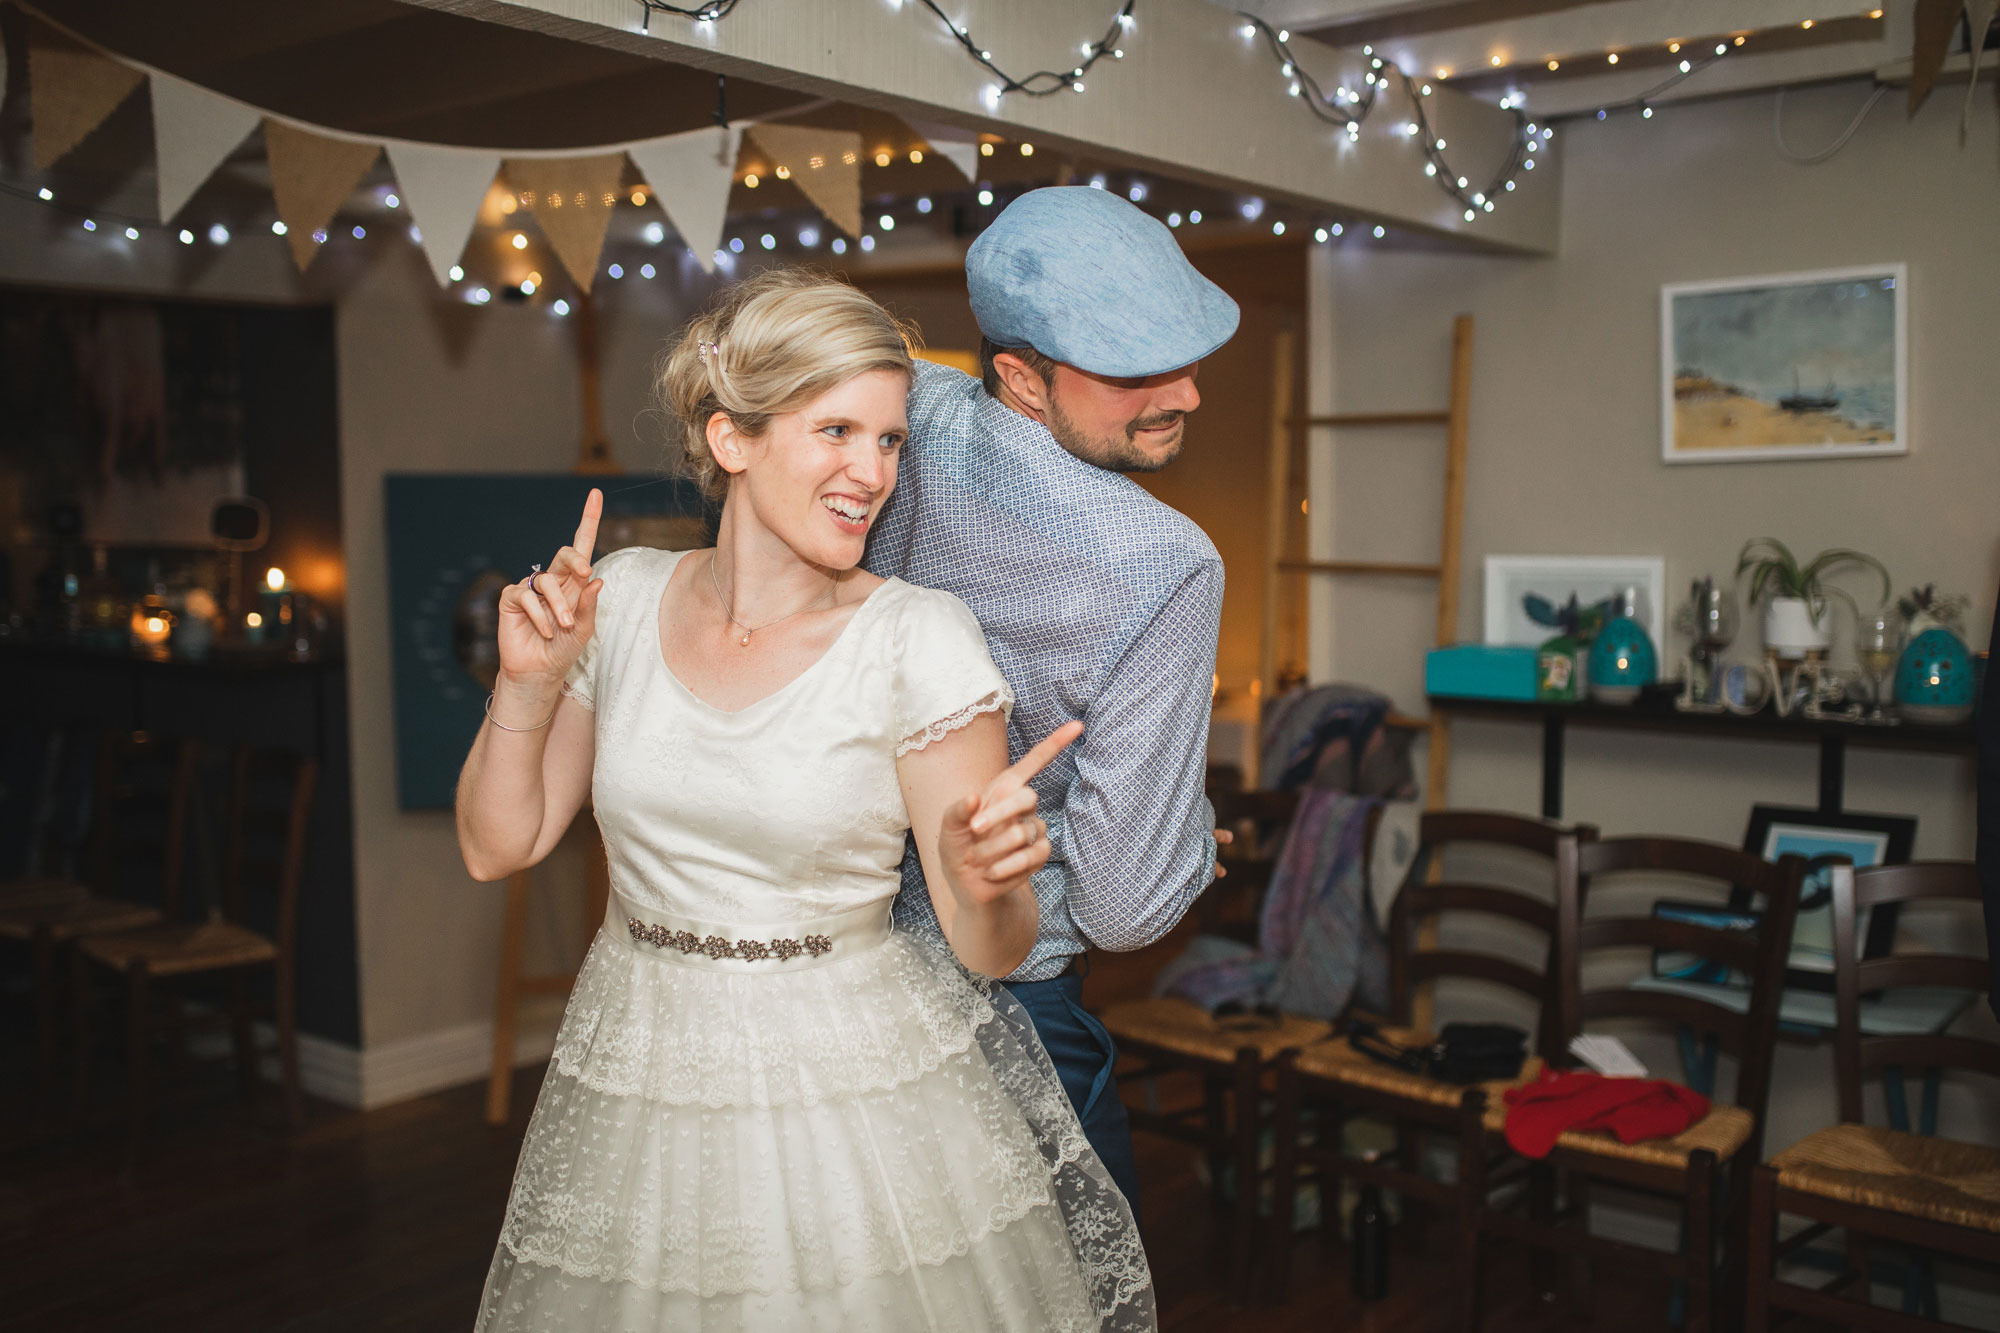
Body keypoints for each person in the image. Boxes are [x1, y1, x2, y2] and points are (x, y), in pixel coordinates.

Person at [458, 270, 1153, 1330]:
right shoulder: (624, 596)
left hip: (842, 1090)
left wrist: (987, 879)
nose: (869, 472)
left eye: (888, 441)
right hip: (636, 1058)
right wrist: (527, 680)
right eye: (836, 429)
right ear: (730, 439)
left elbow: (989, 945)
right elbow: (497, 843)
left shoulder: (916, 636)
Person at [865, 186, 1239, 1213]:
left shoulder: (900, 427)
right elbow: (1123, 908)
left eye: (1186, 357)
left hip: (842, 984)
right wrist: (1201, 844)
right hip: (1014, 1015)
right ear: (1020, 377)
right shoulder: (1165, 562)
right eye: (1131, 371)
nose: (1184, 396)